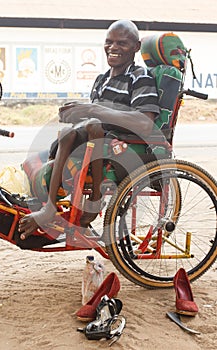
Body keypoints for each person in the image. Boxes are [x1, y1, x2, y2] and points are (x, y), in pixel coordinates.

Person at [18, 19, 160, 239]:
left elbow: (145, 123)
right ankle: (48, 210)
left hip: (123, 146)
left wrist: (94, 110)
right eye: (109, 42)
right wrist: (79, 111)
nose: (113, 48)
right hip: (95, 141)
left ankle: (91, 200)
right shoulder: (102, 79)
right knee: (37, 159)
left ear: (136, 47)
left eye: (122, 43)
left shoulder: (140, 78)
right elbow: (96, 115)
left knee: (91, 125)